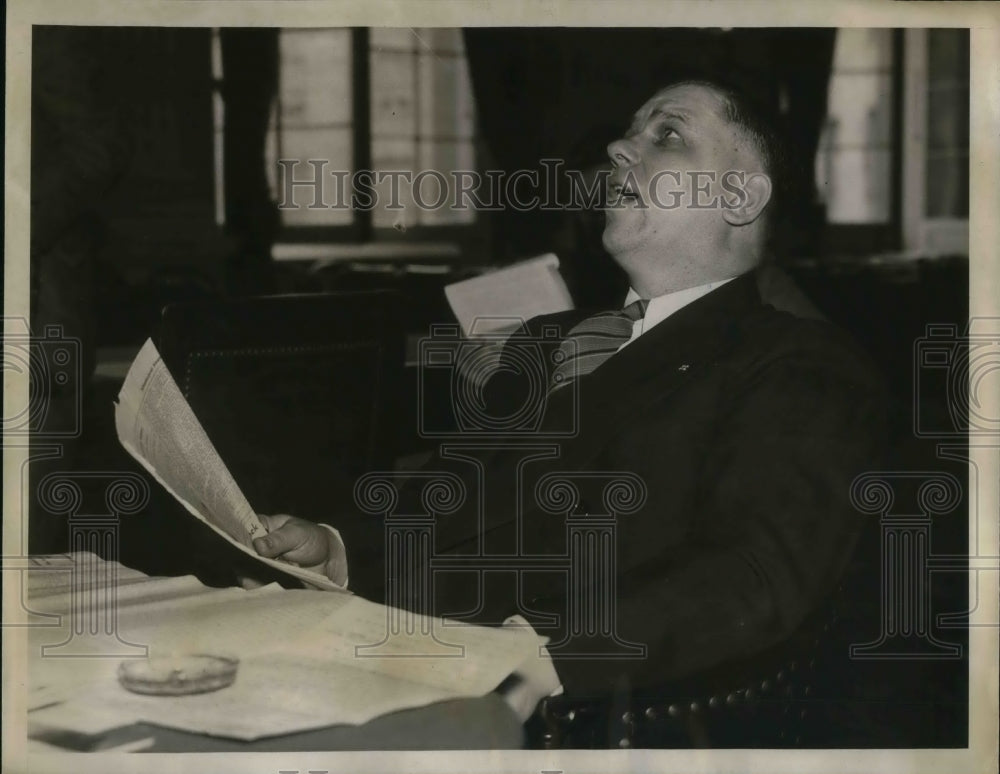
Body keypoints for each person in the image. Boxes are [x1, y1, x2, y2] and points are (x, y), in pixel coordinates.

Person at [251, 81, 888, 725]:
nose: (617, 147)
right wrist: (337, 548)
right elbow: (448, 497)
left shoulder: (800, 365)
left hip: (543, 703)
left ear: (739, 197)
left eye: (666, 134)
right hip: (382, 651)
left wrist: (543, 657)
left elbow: (754, 572)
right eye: (628, 131)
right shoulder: (544, 337)